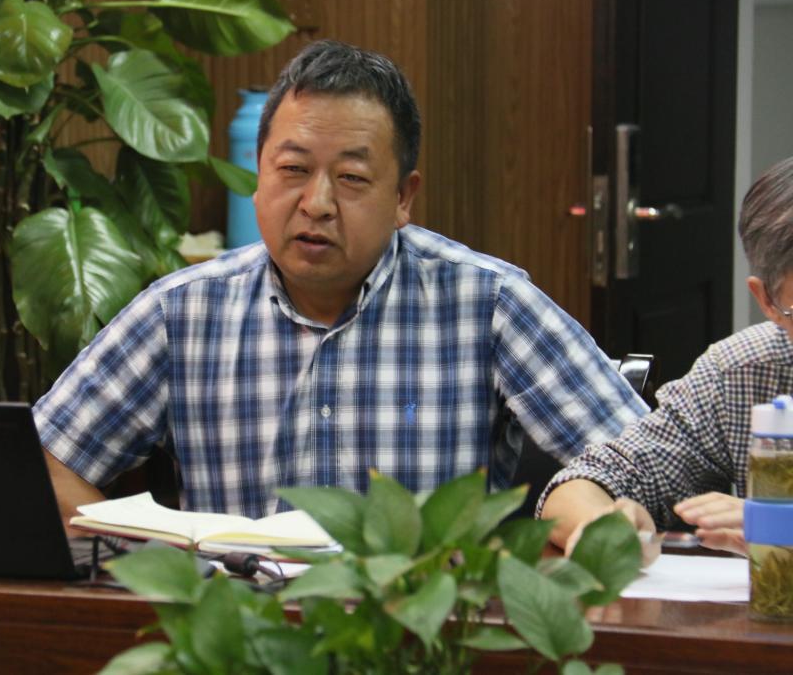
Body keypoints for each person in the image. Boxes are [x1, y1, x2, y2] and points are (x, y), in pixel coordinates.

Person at [33, 40, 646, 524]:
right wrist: (145, 564)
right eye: (293, 169)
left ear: (403, 197)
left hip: (421, 628)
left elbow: (643, 461)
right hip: (240, 624)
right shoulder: (182, 313)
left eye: (351, 179)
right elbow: (43, 466)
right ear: (258, 176)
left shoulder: (487, 303)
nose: (317, 203)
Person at [539, 155, 793, 563]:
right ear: (767, 301)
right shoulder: (741, 371)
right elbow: (589, 480)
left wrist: (782, 525)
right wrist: (605, 526)